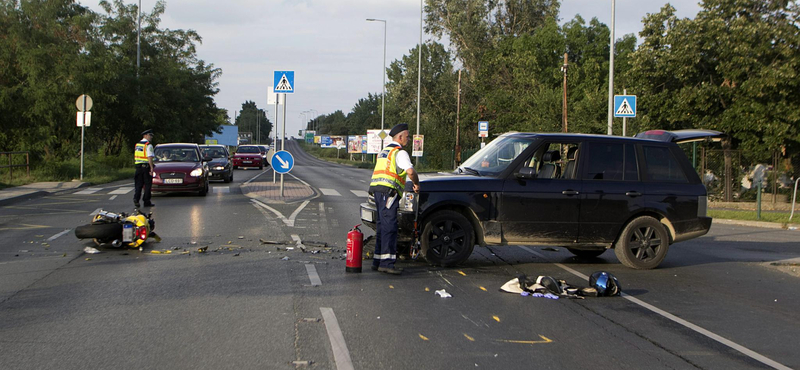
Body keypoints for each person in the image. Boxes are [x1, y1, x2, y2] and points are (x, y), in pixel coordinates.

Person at [368, 123, 420, 275]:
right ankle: (387, 263)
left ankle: (378, 261)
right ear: (400, 137)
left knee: (382, 226)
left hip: (377, 191)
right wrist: (416, 183)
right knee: (390, 227)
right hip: (388, 193)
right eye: (407, 136)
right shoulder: (399, 152)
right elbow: (410, 172)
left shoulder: (385, 151)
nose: (408, 139)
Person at [133, 129, 155, 208]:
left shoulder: (137, 145)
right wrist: (151, 168)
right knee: (147, 185)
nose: (151, 137)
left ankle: (136, 199)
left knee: (138, 184)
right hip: (145, 167)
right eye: (150, 135)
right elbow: (149, 157)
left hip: (138, 167)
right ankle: (146, 201)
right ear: (145, 135)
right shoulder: (148, 145)